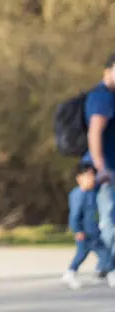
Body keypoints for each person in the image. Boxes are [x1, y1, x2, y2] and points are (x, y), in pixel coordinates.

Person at [85, 53, 115, 289]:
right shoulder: (102, 97)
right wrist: (101, 167)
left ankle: (106, 264)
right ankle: (107, 265)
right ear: (108, 71)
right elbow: (95, 131)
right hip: (108, 169)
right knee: (108, 218)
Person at [63, 161, 112, 289]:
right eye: (88, 175)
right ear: (79, 178)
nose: (92, 178)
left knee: (90, 254)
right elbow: (74, 215)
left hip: (94, 232)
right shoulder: (78, 195)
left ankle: (73, 273)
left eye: (93, 175)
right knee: (101, 254)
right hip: (85, 233)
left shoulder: (92, 192)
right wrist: (77, 230)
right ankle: (109, 275)